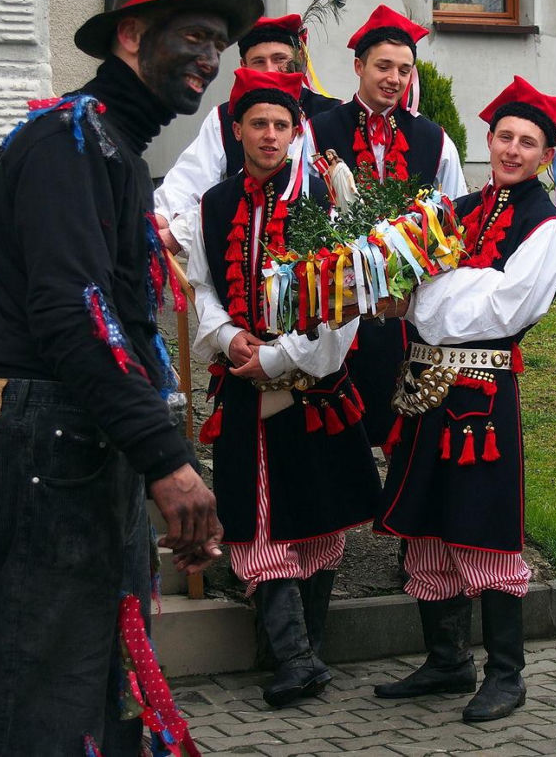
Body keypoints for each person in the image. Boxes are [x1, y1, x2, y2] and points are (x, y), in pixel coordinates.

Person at [0, 0, 262, 755]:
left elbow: (113, 327)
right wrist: (167, 461)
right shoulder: (69, 142)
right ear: (130, 35)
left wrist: (159, 460)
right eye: (194, 35)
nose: (210, 58)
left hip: (80, 450)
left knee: (94, 699)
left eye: (218, 42)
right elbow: (73, 318)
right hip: (47, 455)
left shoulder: (111, 148)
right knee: (33, 709)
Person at [373, 76, 556, 723]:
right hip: (423, 389)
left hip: (481, 400)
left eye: (527, 142)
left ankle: (506, 675)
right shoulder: (453, 209)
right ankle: (447, 660)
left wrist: (435, 294)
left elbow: (507, 305)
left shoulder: (547, 225)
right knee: (428, 525)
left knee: (484, 531)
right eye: (505, 137)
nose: (513, 150)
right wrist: (442, 288)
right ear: (489, 141)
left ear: (546, 155)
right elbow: (406, 282)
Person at [186, 68, 381, 708]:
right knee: (257, 522)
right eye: (258, 124)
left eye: (280, 124)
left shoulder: (325, 196)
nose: (269, 135)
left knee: (315, 518)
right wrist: (227, 337)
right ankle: (297, 658)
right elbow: (204, 286)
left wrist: (280, 356)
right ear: (237, 131)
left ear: (296, 132)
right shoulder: (214, 204)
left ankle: (303, 654)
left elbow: (348, 296)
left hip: (313, 384)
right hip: (245, 390)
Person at [307, 4, 467, 447]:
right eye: (383, 66)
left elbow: (454, 221)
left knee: (408, 420)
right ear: (359, 67)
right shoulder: (317, 131)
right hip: (341, 300)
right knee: (338, 423)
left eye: (404, 69)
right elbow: (302, 209)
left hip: (407, 306)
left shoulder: (434, 139)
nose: (394, 78)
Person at [154, 13, 341, 254]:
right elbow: (189, 178)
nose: (270, 71)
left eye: (280, 59)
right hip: (242, 249)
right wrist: (161, 217)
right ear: (244, 66)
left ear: (299, 60)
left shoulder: (332, 114)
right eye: (259, 61)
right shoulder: (224, 118)